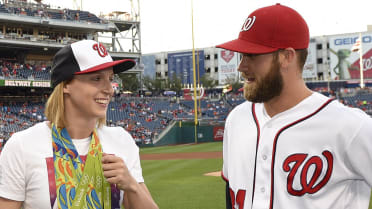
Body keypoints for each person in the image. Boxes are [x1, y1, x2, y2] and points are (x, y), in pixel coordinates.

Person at [217, 4, 372, 209]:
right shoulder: (236, 119)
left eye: (252, 56)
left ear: (286, 57)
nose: (241, 67)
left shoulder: (351, 127)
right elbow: (232, 198)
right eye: (242, 55)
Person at [0, 40, 159, 209]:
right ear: (66, 84)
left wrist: (131, 185)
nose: (109, 89)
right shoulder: (22, 146)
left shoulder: (122, 140)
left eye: (111, 78)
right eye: (97, 78)